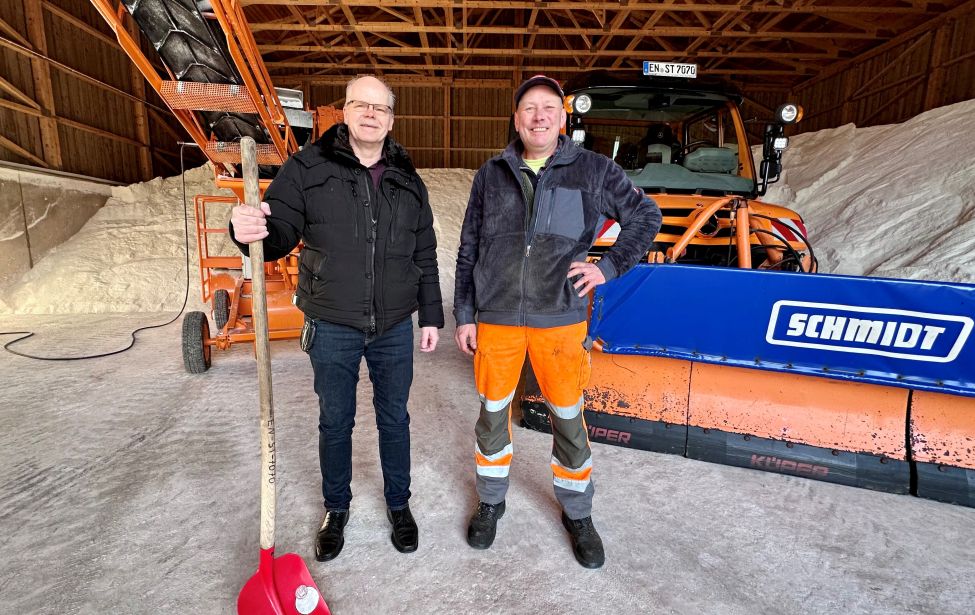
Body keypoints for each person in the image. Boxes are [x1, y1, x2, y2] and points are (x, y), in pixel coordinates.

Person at [229, 75, 444, 562]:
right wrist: (245, 230)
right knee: (335, 421)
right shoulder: (306, 168)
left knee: (395, 419)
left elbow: (424, 252)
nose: (371, 114)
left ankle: (399, 504)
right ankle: (336, 508)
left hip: (392, 326)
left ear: (391, 119)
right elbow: (276, 231)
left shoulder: (408, 180)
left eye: (381, 108)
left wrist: (430, 315)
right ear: (344, 112)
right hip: (331, 323)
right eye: (360, 104)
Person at [453, 75, 662, 569]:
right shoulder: (491, 173)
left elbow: (645, 216)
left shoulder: (592, 170)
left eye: (548, 107)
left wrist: (606, 267)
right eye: (529, 108)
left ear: (563, 118)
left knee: (568, 419)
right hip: (498, 318)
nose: (539, 116)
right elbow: (469, 248)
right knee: (491, 414)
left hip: (561, 319)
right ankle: (490, 501)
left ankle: (578, 512)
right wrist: (464, 313)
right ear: (517, 117)